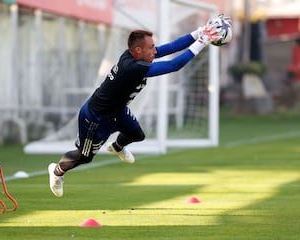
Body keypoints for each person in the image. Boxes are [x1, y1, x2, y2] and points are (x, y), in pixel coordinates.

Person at [48, 16, 227, 197]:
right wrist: (202, 42)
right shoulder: (132, 68)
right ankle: (56, 172)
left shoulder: (137, 55)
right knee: (84, 157)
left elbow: (170, 48)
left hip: (117, 111)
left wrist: (199, 32)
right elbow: (174, 65)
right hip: (96, 117)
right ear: (138, 50)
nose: (154, 50)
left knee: (137, 135)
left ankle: (117, 147)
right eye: (151, 48)